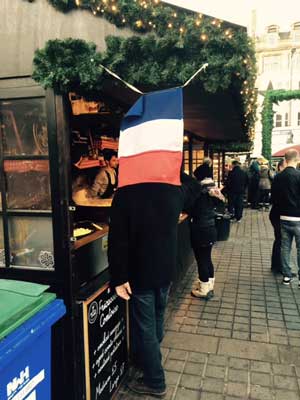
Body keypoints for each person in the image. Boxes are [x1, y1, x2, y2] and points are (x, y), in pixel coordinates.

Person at [108, 88, 185, 397]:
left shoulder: (125, 194)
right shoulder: (174, 190)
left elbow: (119, 240)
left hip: (140, 272)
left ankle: (155, 380)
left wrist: (118, 278)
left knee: (145, 328)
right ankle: (151, 362)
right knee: (155, 321)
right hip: (164, 268)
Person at [189, 177, 225, 299]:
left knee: (201, 260)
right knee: (207, 258)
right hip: (210, 230)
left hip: (200, 231)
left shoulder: (199, 198)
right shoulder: (215, 198)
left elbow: (190, 209)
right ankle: (209, 285)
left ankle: (204, 289)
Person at [271, 149, 300, 285]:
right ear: (297, 159)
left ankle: (286, 276)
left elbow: (274, 198)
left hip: (283, 216)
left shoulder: (278, 177)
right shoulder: (299, 176)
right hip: (298, 217)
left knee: (285, 246)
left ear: (285, 159)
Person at [269, 159, 286, 274]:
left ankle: (276, 265)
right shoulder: (279, 179)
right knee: (280, 240)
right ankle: (277, 266)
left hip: (276, 213)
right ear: (280, 167)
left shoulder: (278, 178)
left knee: (279, 240)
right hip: (278, 214)